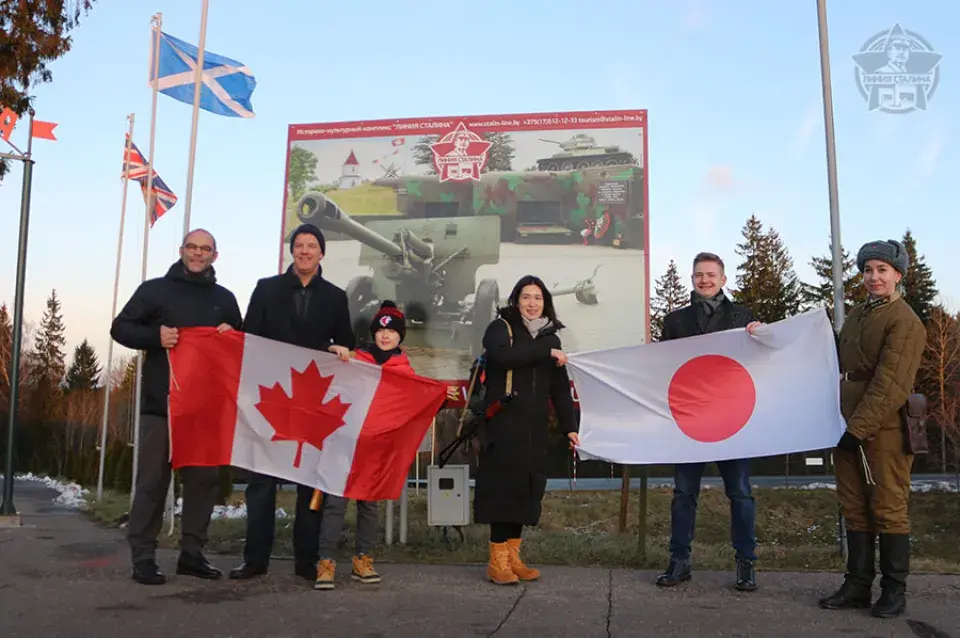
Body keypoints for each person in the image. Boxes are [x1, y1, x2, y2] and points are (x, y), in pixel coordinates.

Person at [111, 229, 242, 585]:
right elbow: (120, 328)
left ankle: (192, 555)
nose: (198, 254)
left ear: (215, 255)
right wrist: (155, 337)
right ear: (181, 250)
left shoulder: (225, 299)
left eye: (205, 249)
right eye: (192, 247)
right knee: (152, 482)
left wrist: (232, 333)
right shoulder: (154, 290)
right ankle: (143, 556)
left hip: (205, 409)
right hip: (161, 404)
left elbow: (240, 347)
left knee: (203, 481)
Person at [229, 223, 355, 583]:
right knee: (261, 483)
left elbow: (345, 341)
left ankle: (306, 561)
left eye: (311, 246)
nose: (304, 251)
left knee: (307, 482)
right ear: (292, 251)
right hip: (271, 400)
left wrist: (341, 350)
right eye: (299, 245)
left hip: (311, 401)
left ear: (321, 253)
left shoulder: (335, 296)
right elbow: (248, 339)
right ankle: (254, 560)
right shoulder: (266, 289)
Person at [312, 300, 460, 590]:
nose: (385, 336)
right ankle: (326, 562)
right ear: (373, 333)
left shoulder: (404, 369)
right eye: (381, 331)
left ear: (400, 336)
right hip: (345, 443)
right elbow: (320, 367)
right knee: (335, 504)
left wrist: (441, 394)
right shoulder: (355, 359)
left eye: (392, 331)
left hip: (377, 448)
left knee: (369, 504)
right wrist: (330, 347)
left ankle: (363, 559)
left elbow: (417, 398)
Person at [818, 239, 925, 618]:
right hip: (847, 426)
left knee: (888, 508)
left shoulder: (904, 321)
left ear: (898, 275)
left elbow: (891, 384)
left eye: (882, 270)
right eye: (867, 270)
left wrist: (858, 428)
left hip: (884, 430)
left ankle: (894, 591)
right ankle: (857, 586)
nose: (873, 277)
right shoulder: (860, 315)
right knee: (854, 508)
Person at [656, 252, 762, 592]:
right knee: (683, 494)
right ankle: (679, 561)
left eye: (711, 274)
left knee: (741, 494)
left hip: (733, 419)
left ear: (723, 279)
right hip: (691, 419)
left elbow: (761, 362)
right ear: (692, 279)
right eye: (699, 274)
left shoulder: (744, 317)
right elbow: (661, 366)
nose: (705, 280)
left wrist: (761, 335)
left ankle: (746, 564)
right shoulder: (675, 322)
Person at [473, 275, 579, 586]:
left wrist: (570, 427)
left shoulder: (552, 339)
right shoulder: (500, 329)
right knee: (502, 490)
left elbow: (559, 390)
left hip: (533, 428)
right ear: (516, 300)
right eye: (526, 297)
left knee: (525, 491)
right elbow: (502, 357)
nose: (532, 304)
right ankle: (497, 560)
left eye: (538, 298)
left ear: (545, 302)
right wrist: (544, 353)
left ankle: (514, 557)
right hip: (503, 424)